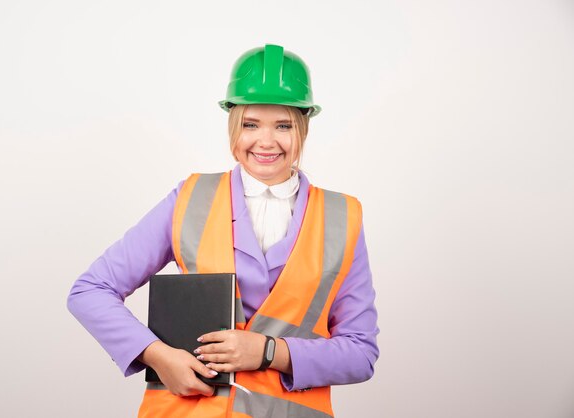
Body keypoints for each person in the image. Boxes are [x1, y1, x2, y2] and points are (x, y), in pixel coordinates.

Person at [67, 43, 379, 418]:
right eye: (251, 124)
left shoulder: (342, 216)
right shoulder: (190, 198)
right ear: (233, 124)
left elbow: (361, 353)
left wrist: (267, 351)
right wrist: (158, 356)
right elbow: (90, 290)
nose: (266, 141)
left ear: (303, 127)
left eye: (283, 125)